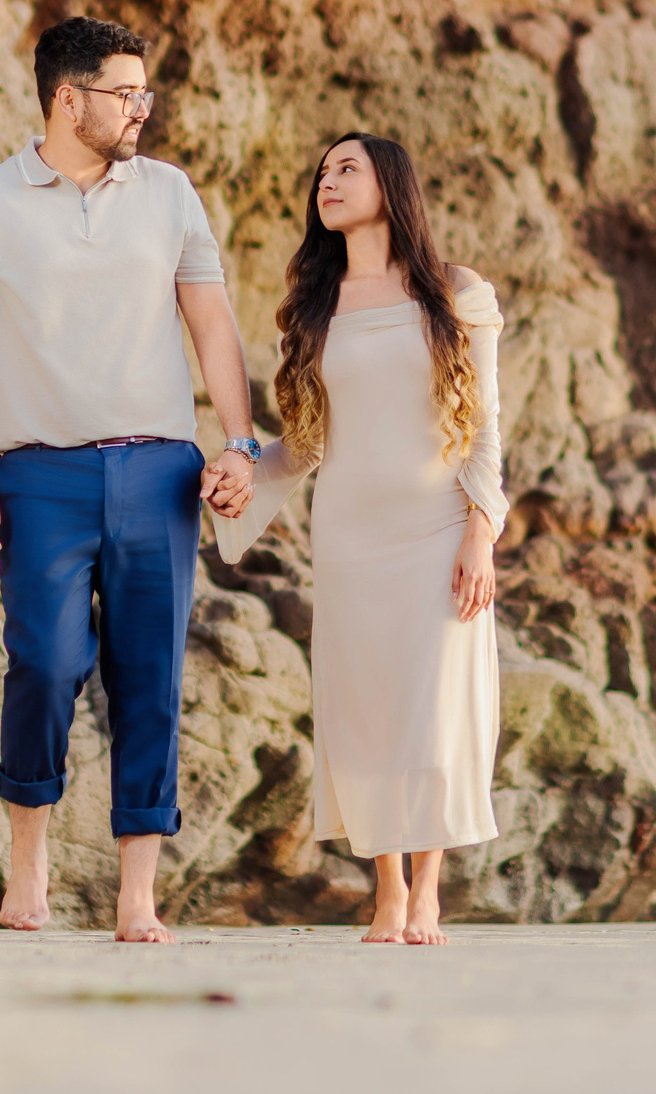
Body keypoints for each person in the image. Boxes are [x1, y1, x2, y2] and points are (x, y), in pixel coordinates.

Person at [0, 16, 260, 942]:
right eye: (125, 93)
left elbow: (213, 325)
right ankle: (26, 867)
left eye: (145, 92)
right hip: (38, 476)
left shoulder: (170, 195)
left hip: (160, 470)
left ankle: (136, 896)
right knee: (44, 662)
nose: (141, 108)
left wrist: (240, 442)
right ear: (67, 99)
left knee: (149, 677)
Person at [214, 133, 506, 945]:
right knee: (368, 715)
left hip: (440, 528)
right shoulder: (316, 306)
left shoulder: (457, 292)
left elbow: (485, 433)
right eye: (320, 172)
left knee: (435, 710)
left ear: (392, 184)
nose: (327, 181)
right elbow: (304, 447)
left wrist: (482, 531)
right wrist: (242, 470)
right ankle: (385, 891)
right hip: (349, 539)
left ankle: (429, 891)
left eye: (347, 168)